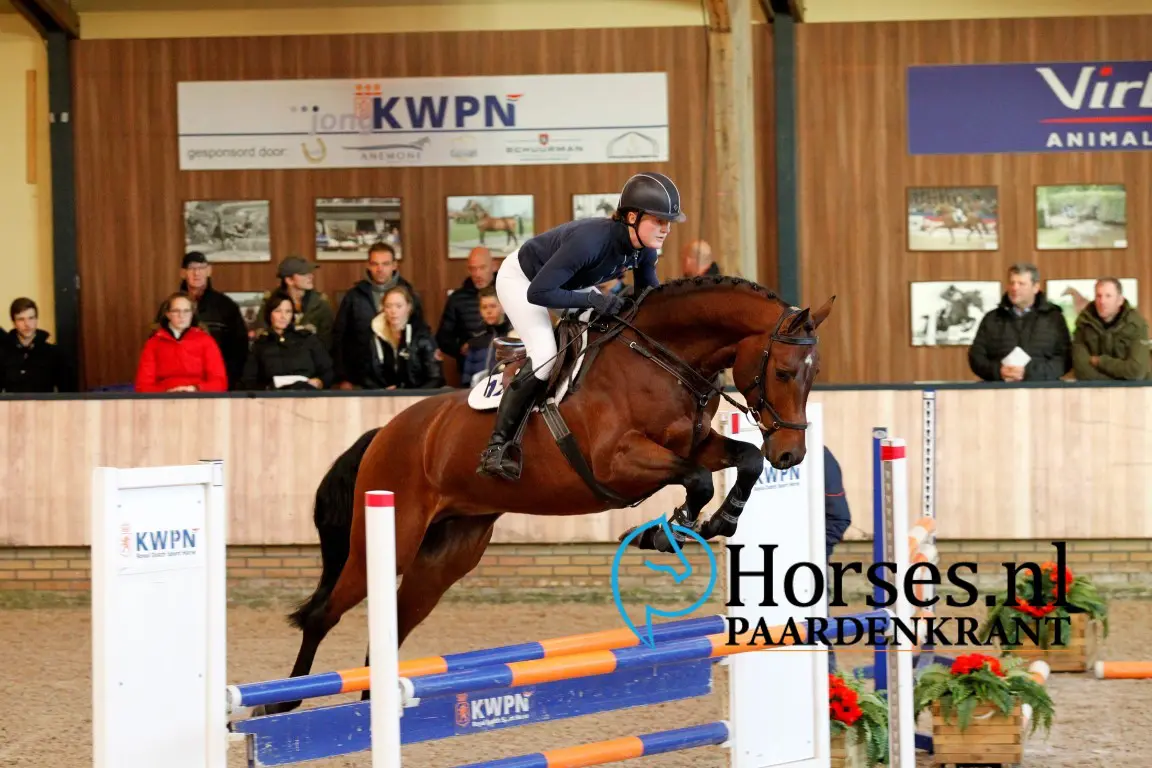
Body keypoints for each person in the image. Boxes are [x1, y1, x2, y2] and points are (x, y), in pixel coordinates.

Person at [476, 171, 685, 480]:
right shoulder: (590, 241)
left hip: (566, 285)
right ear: (632, 217)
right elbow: (539, 293)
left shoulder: (645, 249)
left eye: (669, 222)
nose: (666, 229)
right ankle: (497, 447)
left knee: (612, 328)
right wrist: (594, 300)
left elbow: (648, 300)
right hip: (523, 281)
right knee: (545, 354)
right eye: (659, 220)